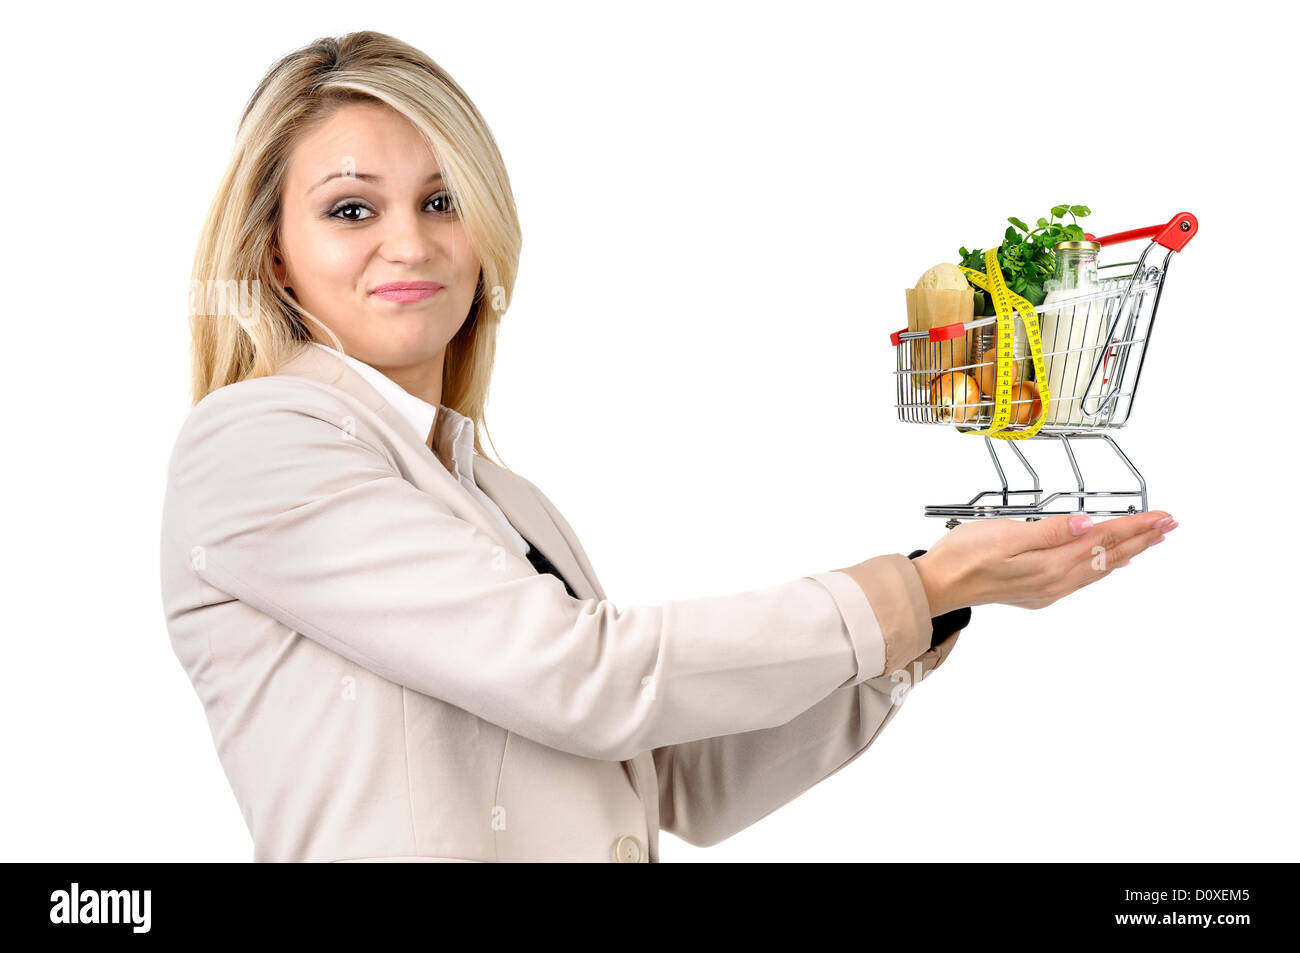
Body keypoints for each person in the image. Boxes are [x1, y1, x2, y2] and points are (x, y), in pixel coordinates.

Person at [161, 30, 1176, 863]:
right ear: (273, 256)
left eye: (441, 200)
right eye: (350, 209)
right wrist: (902, 592)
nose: (411, 242)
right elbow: (585, 677)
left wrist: (946, 593)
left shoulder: (500, 496)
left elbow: (675, 773)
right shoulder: (258, 442)